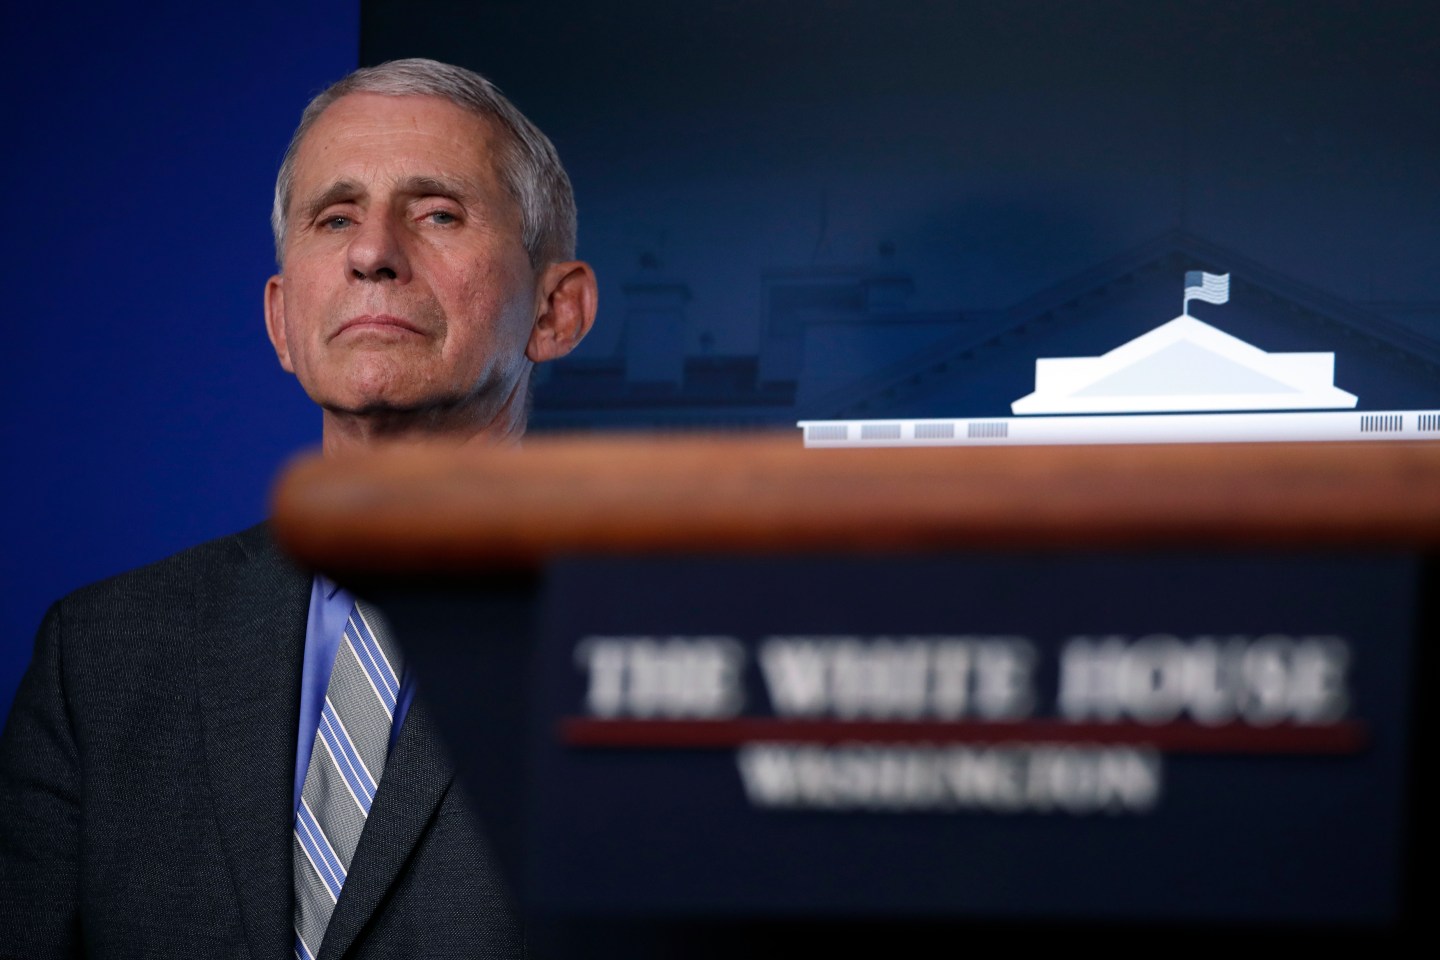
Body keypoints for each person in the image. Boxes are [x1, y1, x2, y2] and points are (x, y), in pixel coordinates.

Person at [0, 58, 596, 958]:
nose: (373, 252)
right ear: (282, 321)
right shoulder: (99, 657)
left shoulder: (681, 652)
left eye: (437, 212)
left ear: (555, 312)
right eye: (335, 217)